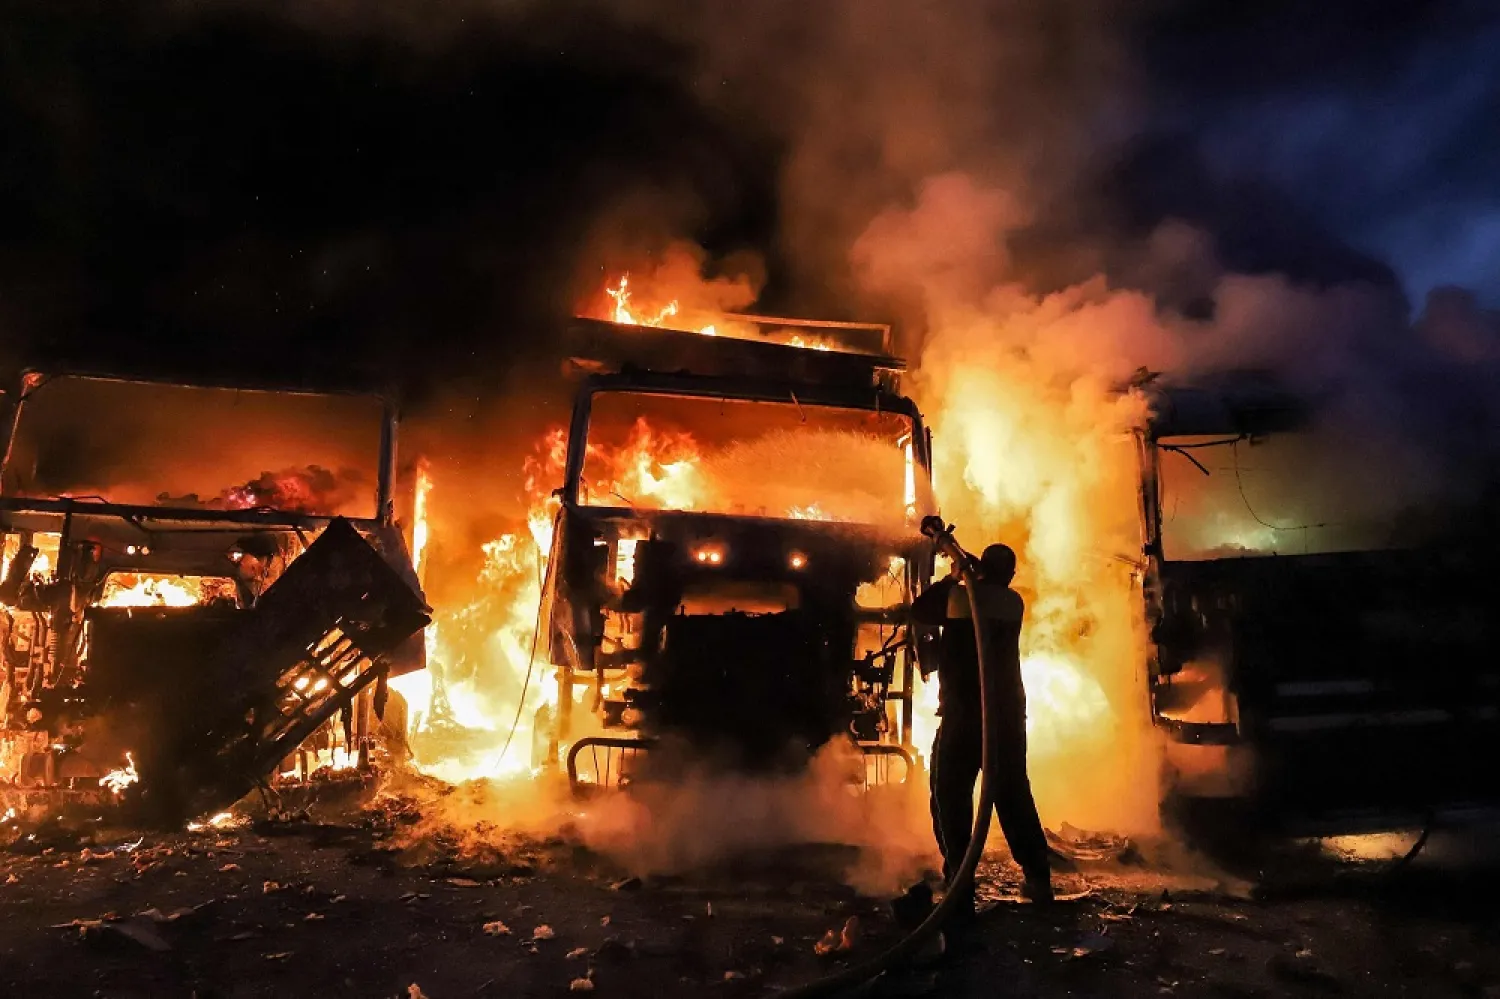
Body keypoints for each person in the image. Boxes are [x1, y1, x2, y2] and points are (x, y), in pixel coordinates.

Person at [911, 541, 1053, 934]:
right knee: (1012, 796)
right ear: (1009, 574)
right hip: (1005, 718)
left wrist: (955, 576)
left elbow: (920, 611)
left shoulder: (962, 598)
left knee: (949, 793)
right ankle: (1038, 880)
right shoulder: (1013, 603)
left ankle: (960, 882)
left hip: (964, 716)